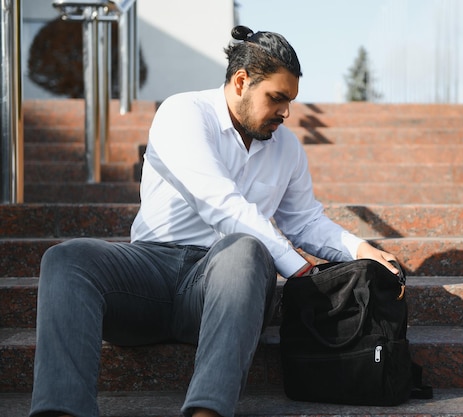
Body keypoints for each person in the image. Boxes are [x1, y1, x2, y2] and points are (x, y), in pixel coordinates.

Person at [29, 25, 400, 417]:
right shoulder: (183, 113)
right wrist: (300, 268)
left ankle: (207, 412)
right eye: (276, 98)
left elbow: (305, 221)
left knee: (245, 251)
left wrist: (360, 249)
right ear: (241, 81)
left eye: (290, 100)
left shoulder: (287, 147)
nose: (286, 112)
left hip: (224, 288)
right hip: (148, 274)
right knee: (66, 259)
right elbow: (220, 203)